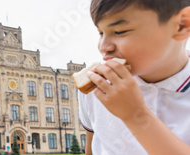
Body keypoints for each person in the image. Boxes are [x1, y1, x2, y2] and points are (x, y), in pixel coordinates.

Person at [79, 0, 190, 154]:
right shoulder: (96, 87)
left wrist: (134, 115)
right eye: (101, 32)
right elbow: (91, 147)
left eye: (120, 31)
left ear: (182, 25)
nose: (104, 47)